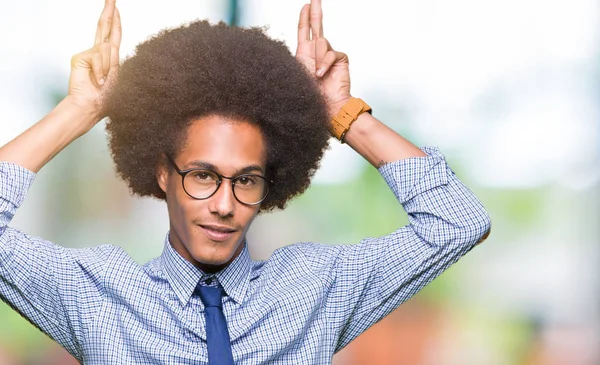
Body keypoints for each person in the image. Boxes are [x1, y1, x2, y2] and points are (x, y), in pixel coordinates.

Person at [0, 0, 491, 364]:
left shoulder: (316, 287)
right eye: (203, 176)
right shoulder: (95, 292)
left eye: (247, 181)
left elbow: (457, 222)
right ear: (162, 172)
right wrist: (77, 112)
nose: (224, 204)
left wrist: (342, 115)